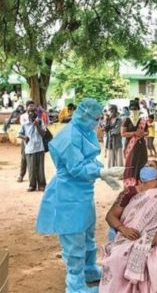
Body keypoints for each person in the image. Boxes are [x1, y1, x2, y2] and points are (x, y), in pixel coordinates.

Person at [36, 98, 124, 293]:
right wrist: (101, 173)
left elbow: (89, 159)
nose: (98, 122)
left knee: (87, 233)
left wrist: (102, 173)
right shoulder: (68, 136)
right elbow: (76, 167)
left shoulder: (84, 131)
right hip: (68, 195)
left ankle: (89, 269)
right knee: (74, 239)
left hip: (83, 192)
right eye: (96, 118)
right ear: (85, 115)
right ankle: (75, 284)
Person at [100, 162, 157, 293]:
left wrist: (155, 237)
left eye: (151, 165)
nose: (146, 166)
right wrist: (123, 229)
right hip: (129, 237)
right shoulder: (129, 192)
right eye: (145, 165)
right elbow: (111, 216)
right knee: (117, 258)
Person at [18, 106, 47, 192]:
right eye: (29, 111)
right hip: (29, 149)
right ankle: (32, 185)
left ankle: (42, 185)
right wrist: (24, 137)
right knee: (31, 169)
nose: (31, 113)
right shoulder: (25, 124)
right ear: (27, 113)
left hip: (39, 148)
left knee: (40, 169)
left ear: (36, 112)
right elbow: (19, 134)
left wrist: (37, 125)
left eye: (33, 111)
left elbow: (43, 134)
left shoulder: (40, 122)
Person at [121, 100, 148, 187]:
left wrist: (142, 133)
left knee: (142, 162)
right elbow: (123, 133)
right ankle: (130, 183)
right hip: (131, 146)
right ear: (129, 110)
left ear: (138, 110)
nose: (134, 111)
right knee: (131, 163)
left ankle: (140, 181)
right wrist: (134, 133)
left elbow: (147, 132)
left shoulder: (142, 120)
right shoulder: (126, 120)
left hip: (141, 146)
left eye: (135, 109)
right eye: (132, 109)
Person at [17, 101, 35, 182]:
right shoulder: (23, 116)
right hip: (26, 140)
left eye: (33, 106)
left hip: (35, 141)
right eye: (30, 106)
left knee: (35, 159)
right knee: (24, 158)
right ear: (26, 107)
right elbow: (25, 125)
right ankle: (21, 175)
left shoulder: (37, 116)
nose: (32, 108)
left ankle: (34, 177)